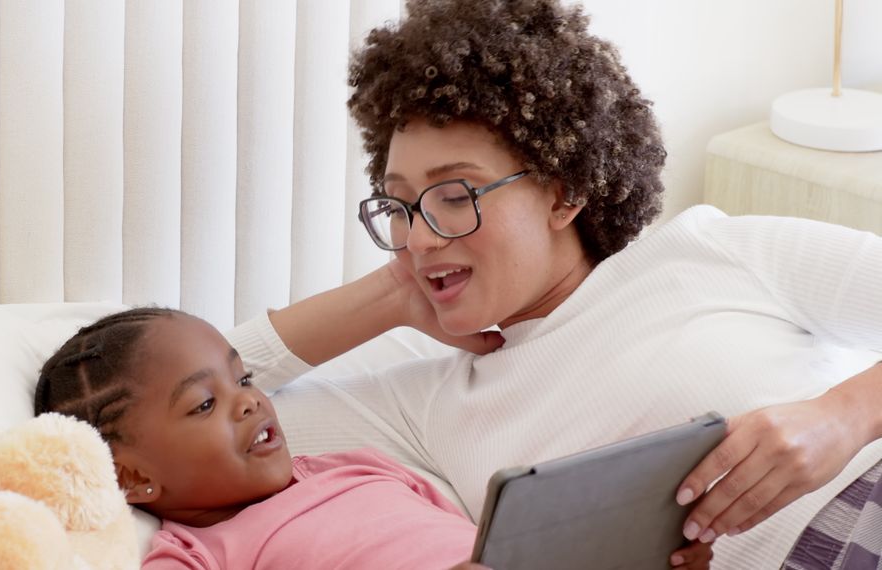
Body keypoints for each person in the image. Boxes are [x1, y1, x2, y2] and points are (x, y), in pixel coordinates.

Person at [215, 0, 882, 568]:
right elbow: (162, 408)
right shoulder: (424, 406)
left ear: (564, 193)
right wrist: (387, 294)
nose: (418, 237)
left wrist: (841, 417)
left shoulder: (708, 251)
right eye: (400, 205)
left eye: (456, 193)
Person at [35, 308, 706, 569]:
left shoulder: (359, 466)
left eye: (242, 379)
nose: (247, 401)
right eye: (205, 402)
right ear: (132, 479)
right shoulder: (196, 555)